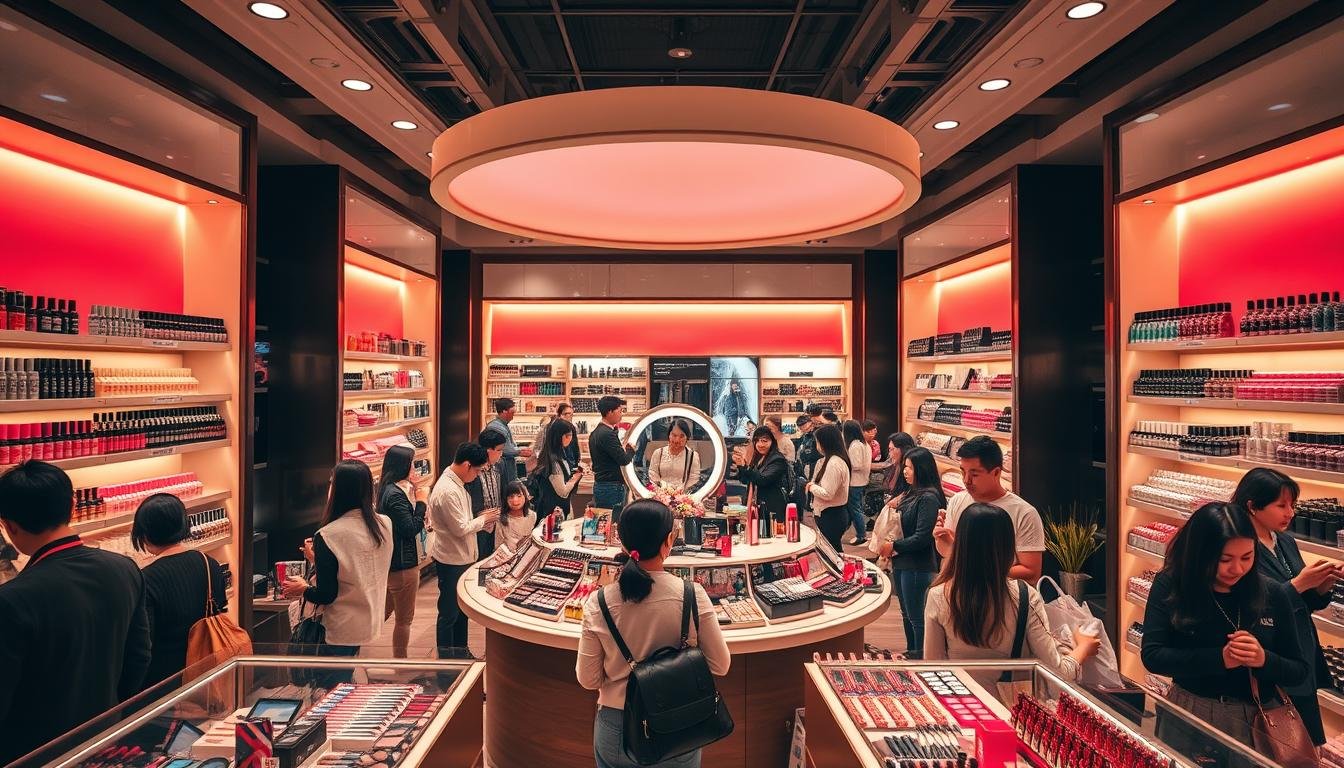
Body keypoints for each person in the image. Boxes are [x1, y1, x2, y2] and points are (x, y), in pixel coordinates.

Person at [0, 461, 150, 765]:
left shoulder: (12, 599)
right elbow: (139, 657)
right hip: (105, 742)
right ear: (72, 506)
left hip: (34, 754)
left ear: (9, 525)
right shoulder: (124, 569)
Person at [1142, 502, 1307, 756]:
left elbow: (1299, 670)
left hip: (1257, 719)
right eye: (1225, 559)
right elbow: (1153, 656)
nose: (1237, 569)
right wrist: (1220, 659)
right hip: (1189, 712)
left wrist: (1263, 659)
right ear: (1199, 554)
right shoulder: (1172, 584)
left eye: (1247, 557)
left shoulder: (1272, 593)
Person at [576, 499, 731, 768]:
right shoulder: (692, 595)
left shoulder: (599, 603)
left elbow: (588, 679)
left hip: (617, 726)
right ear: (669, 541)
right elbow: (721, 664)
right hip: (677, 723)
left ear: (622, 542)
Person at [924, 503, 1100, 686]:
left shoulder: (938, 595)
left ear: (960, 544)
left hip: (960, 701)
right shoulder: (1024, 596)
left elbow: (933, 668)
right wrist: (1084, 648)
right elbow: (1058, 673)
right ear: (1007, 547)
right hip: (1011, 702)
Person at [1235, 467, 1336, 746]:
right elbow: (1251, 605)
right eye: (1281, 505)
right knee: (1277, 742)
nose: (1290, 513)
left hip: (1300, 652)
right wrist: (1298, 585)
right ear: (1252, 506)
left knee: (1307, 744)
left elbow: (1304, 604)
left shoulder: (1285, 541)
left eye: (1292, 505)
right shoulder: (1239, 549)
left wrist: (1322, 586)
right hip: (1268, 657)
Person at [283, 461, 393, 664]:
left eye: (331, 482)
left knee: (332, 679)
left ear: (338, 490)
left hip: (339, 627)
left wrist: (303, 588)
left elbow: (326, 594)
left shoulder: (329, 535)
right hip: (369, 619)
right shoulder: (384, 524)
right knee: (347, 675)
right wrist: (318, 559)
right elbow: (358, 566)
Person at [131, 493, 229, 689]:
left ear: (144, 533)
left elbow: (143, 643)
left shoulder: (146, 579)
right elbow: (221, 608)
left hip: (163, 681)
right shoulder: (208, 563)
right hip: (206, 672)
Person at [932, 436, 1044, 583]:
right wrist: (940, 537)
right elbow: (947, 552)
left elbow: (1031, 573)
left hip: (1001, 595)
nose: (966, 480)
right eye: (963, 472)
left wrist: (975, 565)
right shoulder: (957, 500)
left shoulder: (1024, 513)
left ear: (996, 472)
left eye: (974, 474)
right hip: (958, 591)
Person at [872, 447, 944, 659]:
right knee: (907, 614)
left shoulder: (928, 498)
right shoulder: (912, 493)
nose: (905, 471)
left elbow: (923, 537)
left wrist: (894, 546)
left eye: (910, 468)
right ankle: (912, 652)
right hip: (902, 561)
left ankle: (921, 656)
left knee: (917, 617)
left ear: (921, 469)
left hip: (917, 565)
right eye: (905, 467)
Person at [428, 442, 498, 658]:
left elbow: (462, 521)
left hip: (461, 556)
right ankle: (447, 661)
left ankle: (461, 652)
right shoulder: (448, 490)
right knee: (449, 613)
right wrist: (483, 520)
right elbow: (459, 529)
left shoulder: (456, 483)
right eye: (477, 471)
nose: (477, 476)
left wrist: (481, 520)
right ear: (467, 465)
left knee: (461, 611)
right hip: (452, 559)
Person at [377, 445, 428, 659]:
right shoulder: (395, 495)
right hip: (403, 565)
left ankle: (353, 650)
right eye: (411, 464)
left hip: (391, 562)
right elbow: (409, 529)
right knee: (404, 620)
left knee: (381, 613)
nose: (413, 468)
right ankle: (401, 663)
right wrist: (422, 502)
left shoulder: (385, 489)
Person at [806, 424, 851, 552]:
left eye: (817, 442)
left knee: (833, 552)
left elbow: (828, 494)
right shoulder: (828, 460)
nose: (817, 445)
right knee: (831, 550)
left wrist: (811, 487)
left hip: (832, 515)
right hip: (829, 513)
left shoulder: (834, 463)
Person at [590, 396, 637, 521]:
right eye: (620, 411)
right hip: (611, 487)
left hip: (604, 485)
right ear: (610, 412)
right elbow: (623, 460)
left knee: (605, 522)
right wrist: (631, 450)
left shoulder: (598, 432)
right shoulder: (607, 434)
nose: (621, 414)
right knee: (613, 522)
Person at [734, 425, 791, 523]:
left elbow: (763, 480)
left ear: (772, 442)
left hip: (772, 508)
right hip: (758, 506)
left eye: (764, 441)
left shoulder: (778, 459)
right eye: (757, 441)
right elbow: (745, 480)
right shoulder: (758, 458)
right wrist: (740, 466)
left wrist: (745, 467)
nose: (760, 444)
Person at [533, 417, 585, 518]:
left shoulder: (556, 455)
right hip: (553, 512)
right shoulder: (554, 462)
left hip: (555, 509)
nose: (570, 439)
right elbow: (563, 492)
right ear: (559, 436)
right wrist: (576, 477)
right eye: (568, 435)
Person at [468, 429, 507, 559]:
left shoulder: (500, 465)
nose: (501, 454)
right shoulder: (472, 469)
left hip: (497, 523)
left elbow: (503, 489)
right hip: (478, 525)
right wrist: (478, 516)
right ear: (488, 450)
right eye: (499, 450)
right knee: (478, 558)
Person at [485, 397, 533, 487]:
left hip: (506, 468)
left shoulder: (501, 425)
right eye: (512, 412)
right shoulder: (496, 427)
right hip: (503, 469)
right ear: (504, 411)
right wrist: (521, 451)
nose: (513, 415)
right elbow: (505, 449)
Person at [647, 418, 702, 492]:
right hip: (660, 494)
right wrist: (662, 490)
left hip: (683, 495)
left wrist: (681, 492)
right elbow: (653, 475)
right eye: (674, 435)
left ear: (687, 437)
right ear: (669, 435)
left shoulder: (693, 456)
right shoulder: (658, 453)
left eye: (681, 436)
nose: (677, 440)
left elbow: (694, 479)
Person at [842, 420, 872, 546]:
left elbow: (857, 465)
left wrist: (844, 463)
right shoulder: (864, 444)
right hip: (861, 481)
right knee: (855, 508)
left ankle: (861, 535)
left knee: (855, 509)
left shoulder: (855, 445)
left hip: (855, 482)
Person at [496, 481, 537, 553]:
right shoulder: (500, 518)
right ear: (506, 499)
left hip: (526, 553)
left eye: (519, 496)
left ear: (525, 497)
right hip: (507, 555)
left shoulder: (532, 515)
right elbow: (498, 545)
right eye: (511, 496)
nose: (515, 500)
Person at [881, 432, 917, 504]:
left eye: (892, 449)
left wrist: (899, 498)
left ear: (903, 449)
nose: (890, 453)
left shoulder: (910, 467)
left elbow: (914, 490)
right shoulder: (895, 464)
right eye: (889, 449)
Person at [558, 402, 581, 467]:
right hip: (567, 462)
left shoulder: (570, 426)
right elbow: (569, 446)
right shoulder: (566, 426)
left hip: (566, 462)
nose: (571, 416)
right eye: (568, 413)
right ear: (561, 414)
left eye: (572, 414)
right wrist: (573, 462)